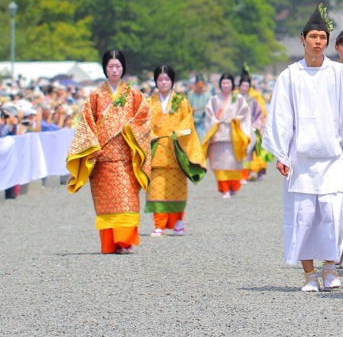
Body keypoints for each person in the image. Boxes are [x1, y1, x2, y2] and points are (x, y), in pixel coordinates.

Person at [263, 5, 343, 293]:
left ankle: (329, 268)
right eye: (313, 36)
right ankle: (309, 274)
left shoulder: (339, 73)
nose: (317, 42)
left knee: (330, 214)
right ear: (303, 39)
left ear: (327, 42)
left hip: (332, 157)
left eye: (322, 37)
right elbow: (281, 116)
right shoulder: (290, 75)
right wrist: (281, 154)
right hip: (301, 159)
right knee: (303, 215)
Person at [66, 50, 152, 255]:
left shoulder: (134, 94)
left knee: (127, 199)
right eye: (111, 66)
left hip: (125, 157)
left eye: (118, 66)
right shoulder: (95, 96)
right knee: (106, 202)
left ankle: (125, 242)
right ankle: (109, 243)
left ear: (123, 68)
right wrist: (93, 148)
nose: (114, 70)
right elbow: (86, 124)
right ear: (105, 68)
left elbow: (145, 120)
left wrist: (130, 130)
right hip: (103, 158)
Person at [146, 65, 205, 237]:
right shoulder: (150, 102)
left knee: (177, 189)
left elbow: (188, 123)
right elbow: (143, 124)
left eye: (167, 79)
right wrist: (152, 136)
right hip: (156, 149)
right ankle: (159, 225)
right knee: (156, 189)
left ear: (172, 81)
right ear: (156, 81)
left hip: (176, 150)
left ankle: (179, 222)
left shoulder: (182, 102)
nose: (163, 82)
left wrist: (177, 135)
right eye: (160, 79)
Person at [202, 74, 252, 199]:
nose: (225, 86)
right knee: (219, 164)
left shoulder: (239, 99)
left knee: (233, 164)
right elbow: (209, 115)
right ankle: (224, 189)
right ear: (220, 84)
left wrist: (235, 120)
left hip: (234, 135)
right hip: (218, 135)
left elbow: (245, 114)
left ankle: (233, 186)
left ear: (232, 84)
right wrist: (216, 122)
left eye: (228, 83)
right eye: (223, 83)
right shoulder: (214, 99)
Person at [238, 71, 268, 181]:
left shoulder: (254, 99)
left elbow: (259, 113)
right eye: (242, 85)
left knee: (251, 152)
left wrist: (257, 126)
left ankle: (249, 173)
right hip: (236, 128)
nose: (244, 88)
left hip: (250, 127)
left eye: (247, 86)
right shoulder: (234, 98)